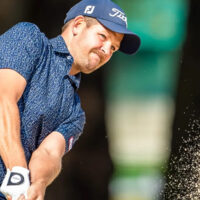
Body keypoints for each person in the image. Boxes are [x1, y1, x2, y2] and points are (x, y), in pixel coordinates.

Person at [0, 0, 140, 199]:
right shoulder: (28, 38)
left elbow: (49, 153)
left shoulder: (75, 113)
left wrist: (38, 184)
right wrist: (18, 172)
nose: (107, 50)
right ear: (78, 25)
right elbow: (3, 100)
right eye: (103, 37)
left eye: (114, 48)